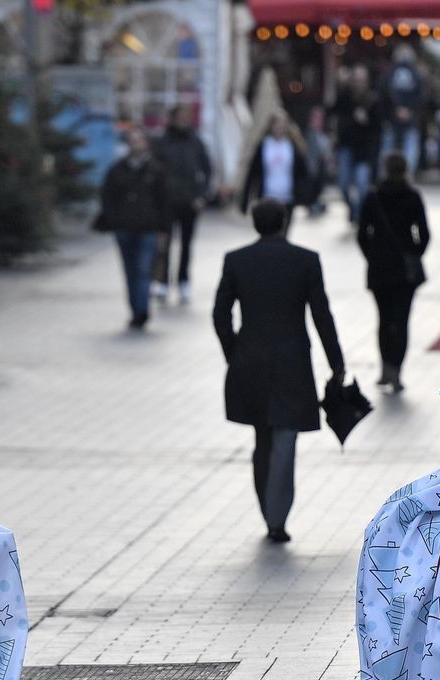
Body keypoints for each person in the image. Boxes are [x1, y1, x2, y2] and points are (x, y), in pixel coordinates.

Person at [212, 199, 346, 544]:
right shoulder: (305, 260)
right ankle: (277, 516)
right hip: (292, 361)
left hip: (250, 361)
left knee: (262, 438)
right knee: (285, 439)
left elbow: (220, 313)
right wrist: (336, 362)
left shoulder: (236, 260)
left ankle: (268, 511)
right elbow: (321, 314)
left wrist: (233, 352)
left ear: (255, 223)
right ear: (284, 222)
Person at [356, 152, 430, 392]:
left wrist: (372, 255)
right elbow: (424, 233)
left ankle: (385, 368)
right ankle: (397, 371)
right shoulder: (412, 196)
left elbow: (362, 234)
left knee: (384, 319)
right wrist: (414, 252)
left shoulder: (373, 196)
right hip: (404, 271)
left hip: (379, 269)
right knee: (402, 320)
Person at [97, 128, 170, 329]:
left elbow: (164, 201)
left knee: (143, 269)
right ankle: (135, 308)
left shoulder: (155, 169)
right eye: (132, 141)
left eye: (139, 140)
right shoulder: (117, 169)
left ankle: (142, 310)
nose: (135, 144)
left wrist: (163, 227)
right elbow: (107, 197)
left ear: (146, 144)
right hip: (124, 228)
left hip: (148, 228)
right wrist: (114, 220)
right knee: (130, 271)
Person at [152, 105, 212, 305]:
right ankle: (162, 282)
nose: (184, 121)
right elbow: (154, 171)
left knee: (186, 244)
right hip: (167, 201)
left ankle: (183, 280)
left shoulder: (195, 141)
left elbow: (207, 169)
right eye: (180, 117)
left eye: (186, 117)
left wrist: (201, 196)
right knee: (164, 243)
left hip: (189, 201)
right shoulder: (163, 142)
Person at [240, 112, 310, 232]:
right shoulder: (264, 145)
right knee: (268, 232)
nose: (279, 128)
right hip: (267, 196)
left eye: (282, 125)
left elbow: (302, 173)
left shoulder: (292, 146)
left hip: (287, 197)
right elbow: (253, 173)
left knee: (284, 232)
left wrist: (305, 195)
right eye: (277, 125)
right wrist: (245, 200)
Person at [333, 65, 383, 223]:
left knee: (362, 183)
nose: (358, 83)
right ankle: (353, 208)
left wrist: (367, 121)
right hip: (346, 146)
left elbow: (379, 126)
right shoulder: (344, 97)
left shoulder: (373, 99)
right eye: (356, 80)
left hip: (364, 149)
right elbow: (334, 115)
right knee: (343, 183)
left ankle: (360, 214)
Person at [382, 45, 426, 177]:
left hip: (392, 117)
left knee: (389, 148)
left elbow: (385, 93)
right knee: (410, 149)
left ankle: (387, 174)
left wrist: (396, 109)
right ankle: (406, 176)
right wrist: (409, 110)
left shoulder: (390, 72)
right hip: (410, 118)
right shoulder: (416, 73)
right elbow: (421, 96)